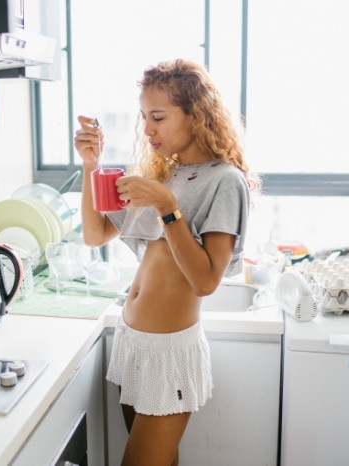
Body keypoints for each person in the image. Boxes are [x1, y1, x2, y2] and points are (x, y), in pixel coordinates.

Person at [73, 59, 257, 466]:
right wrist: (91, 166)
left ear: (197, 116)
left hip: (169, 354)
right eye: (144, 117)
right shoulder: (166, 175)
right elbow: (95, 234)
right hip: (132, 343)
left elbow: (205, 280)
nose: (148, 129)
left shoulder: (225, 181)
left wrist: (167, 208)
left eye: (158, 116)